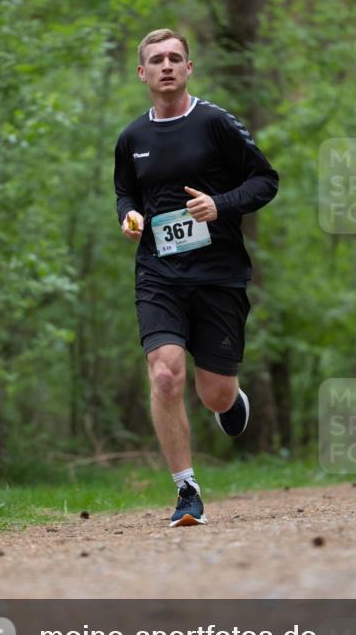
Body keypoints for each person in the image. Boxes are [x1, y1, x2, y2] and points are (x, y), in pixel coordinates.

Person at [114, 28, 279, 526]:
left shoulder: (215, 124)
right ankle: (186, 491)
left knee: (214, 394)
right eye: (156, 60)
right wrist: (129, 216)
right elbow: (126, 192)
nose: (166, 65)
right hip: (159, 272)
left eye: (175, 58)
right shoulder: (131, 138)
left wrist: (220, 205)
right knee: (165, 375)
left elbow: (265, 180)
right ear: (142, 73)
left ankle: (230, 399)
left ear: (189, 68)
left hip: (218, 274)